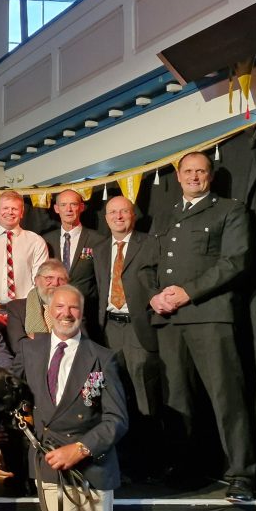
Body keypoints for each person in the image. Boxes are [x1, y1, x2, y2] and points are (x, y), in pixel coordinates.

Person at [144, 151, 256, 502]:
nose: (194, 176)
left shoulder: (230, 209)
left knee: (227, 398)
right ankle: (185, 468)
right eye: (188, 171)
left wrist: (187, 292)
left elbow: (235, 261)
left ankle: (242, 474)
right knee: (178, 400)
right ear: (178, 176)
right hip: (170, 321)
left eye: (201, 171)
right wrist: (153, 297)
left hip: (210, 317)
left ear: (210, 176)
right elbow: (146, 265)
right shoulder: (166, 215)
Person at [12, 285, 128, 511]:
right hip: (51, 466)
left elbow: (117, 420)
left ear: (82, 313)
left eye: (73, 308)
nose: (66, 314)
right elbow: (13, 400)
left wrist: (80, 449)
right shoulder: (29, 351)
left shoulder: (102, 357)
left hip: (95, 467)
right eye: (60, 307)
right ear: (48, 313)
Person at [94, 196, 162, 479]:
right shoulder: (98, 249)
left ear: (132, 215)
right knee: (114, 395)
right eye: (112, 212)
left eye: (124, 211)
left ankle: (149, 463)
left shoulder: (151, 243)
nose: (118, 216)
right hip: (108, 329)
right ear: (106, 218)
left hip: (138, 328)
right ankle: (122, 461)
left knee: (144, 395)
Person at [44, 189, 106, 299]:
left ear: (81, 207)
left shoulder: (98, 240)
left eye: (73, 204)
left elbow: (104, 279)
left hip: (87, 309)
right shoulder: (46, 241)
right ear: (56, 209)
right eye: (63, 205)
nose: (69, 209)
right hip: (54, 308)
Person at [5, 259, 70, 354]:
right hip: (30, 363)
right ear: (36, 280)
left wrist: (38, 337)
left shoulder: (73, 308)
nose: (55, 283)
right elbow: (18, 346)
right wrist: (60, 340)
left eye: (61, 279)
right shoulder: (16, 307)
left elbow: (80, 341)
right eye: (49, 278)